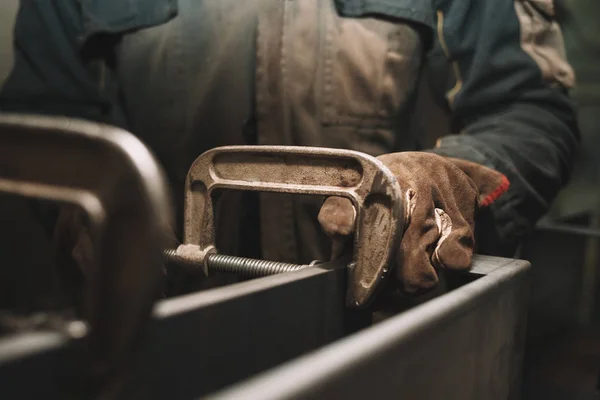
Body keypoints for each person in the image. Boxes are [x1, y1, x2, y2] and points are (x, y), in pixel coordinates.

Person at [0, 0, 578, 305]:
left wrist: (441, 179)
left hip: (385, 332)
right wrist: (87, 203)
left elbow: (527, 110)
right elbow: (45, 117)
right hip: (163, 337)